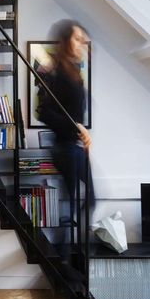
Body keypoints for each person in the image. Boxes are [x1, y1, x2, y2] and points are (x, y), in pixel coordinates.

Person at [36, 19, 95, 238]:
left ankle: (72, 255)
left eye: (83, 40)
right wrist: (76, 126)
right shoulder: (56, 73)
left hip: (74, 147)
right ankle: (64, 261)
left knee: (88, 201)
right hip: (65, 149)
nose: (82, 44)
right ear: (65, 41)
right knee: (72, 206)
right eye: (77, 39)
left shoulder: (73, 73)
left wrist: (80, 132)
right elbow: (44, 113)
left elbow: (74, 114)